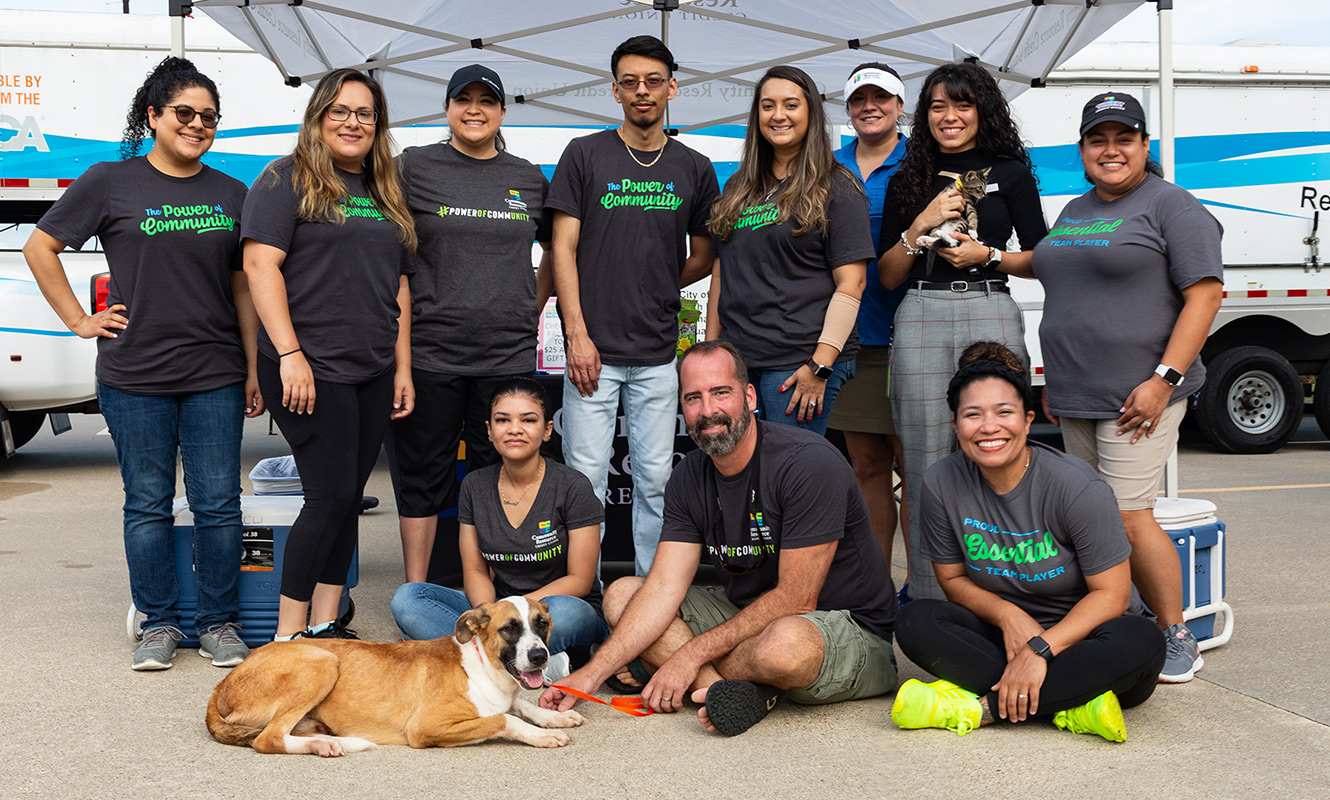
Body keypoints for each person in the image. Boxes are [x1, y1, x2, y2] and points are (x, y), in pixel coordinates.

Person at [23, 57, 261, 671]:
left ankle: (218, 622)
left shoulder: (231, 193)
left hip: (215, 373)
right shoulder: (109, 182)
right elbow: (40, 246)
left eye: (209, 117)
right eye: (184, 113)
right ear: (153, 116)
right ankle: (159, 623)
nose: (197, 125)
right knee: (148, 503)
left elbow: (241, 287)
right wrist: (80, 320)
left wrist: (253, 366)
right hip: (135, 375)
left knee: (218, 503)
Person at [540, 340, 899, 737]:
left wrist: (686, 655)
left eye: (720, 392)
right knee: (624, 594)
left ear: (750, 397)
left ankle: (680, 671)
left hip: (846, 627)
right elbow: (662, 587)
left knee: (783, 648)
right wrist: (590, 675)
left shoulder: (807, 463)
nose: (707, 410)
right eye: (693, 398)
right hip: (747, 613)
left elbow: (797, 600)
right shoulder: (689, 475)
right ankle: (716, 690)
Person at [1033, 92, 1224, 683]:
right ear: (1082, 149)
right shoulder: (1076, 209)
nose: (1110, 150)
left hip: (1138, 396)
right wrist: (989, 256)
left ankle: (1177, 632)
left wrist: (1163, 381)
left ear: (1144, 145)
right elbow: (1052, 266)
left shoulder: (1172, 205)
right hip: (1076, 393)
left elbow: (1205, 295)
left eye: (1124, 139)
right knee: (1089, 517)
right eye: (1098, 140)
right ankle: (1119, 616)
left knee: (1127, 515)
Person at [891, 342, 1166, 742]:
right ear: (955, 425)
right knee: (916, 621)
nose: (989, 427)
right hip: (1004, 638)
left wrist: (1041, 649)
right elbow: (951, 580)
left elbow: (1112, 595)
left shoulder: (1076, 486)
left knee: (1143, 642)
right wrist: (1008, 616)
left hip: (1086, 637)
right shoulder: (941, 482)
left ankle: (981, 708)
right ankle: (1075, 703)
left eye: (1004, 412)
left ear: (1027, 420)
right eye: (973, 414)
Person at [242, 67, 417, 641]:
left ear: (378, 124)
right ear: (318, 116)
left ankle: (324, 624)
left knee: (347, 499)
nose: (352, 122)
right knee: (329, 496)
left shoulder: (383, 189)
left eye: (365, 113)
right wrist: (290, 354)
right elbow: (259, 266)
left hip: (372, 366)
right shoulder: (285, 179)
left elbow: (398, 284)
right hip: (309, 366)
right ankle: (287, 636)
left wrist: (401, 366)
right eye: (339, 110)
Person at [876, 61, 1049, 602]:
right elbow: (887, 276)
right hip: (921, 312)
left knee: (1001, 452)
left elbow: (1043, 258)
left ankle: (1009, 593)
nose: (949, 116)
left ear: (982, 111)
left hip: (991, 307)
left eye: (962, 104)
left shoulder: (1011, 172)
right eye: (937, 106)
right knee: (924, 462)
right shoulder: (907, 175)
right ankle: (929, 600)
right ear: (923, 115)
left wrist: (988, 255)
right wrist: (919, 224)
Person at [548, 35, 719, 576]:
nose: (642, 91)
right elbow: (562, 249)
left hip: (658, 351)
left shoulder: (695, 165)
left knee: (657, 480)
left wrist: (659, 285)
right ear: (615, 90)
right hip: (592, 351)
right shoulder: (584, 154)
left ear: (672, 87)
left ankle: (650, 592)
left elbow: (705, 255)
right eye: (630, 82)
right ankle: (583, 592)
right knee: (585, 479)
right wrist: (576, 334)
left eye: (653, 81)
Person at [391, 64, 553, 583]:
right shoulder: (411, 167)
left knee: (498, 475)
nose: (475, 110)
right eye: (464, 100)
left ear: (502, 112)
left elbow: (558, 247)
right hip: (430, 352)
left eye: (487, 101)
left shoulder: (528, 177)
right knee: (423, 475)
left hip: (506, 356)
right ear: (447, 109)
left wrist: (532, 305)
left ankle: (491, 591)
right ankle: (416, 591)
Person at [391, 378, 607, 678]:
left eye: (528, 420)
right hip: (500, 614)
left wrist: (514, 610)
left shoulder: (573, 486)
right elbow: (474, 570)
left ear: (547, 430)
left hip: (556, 609)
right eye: (503, 420)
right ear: (490, 430)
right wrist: (492, 614)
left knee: (572, 612)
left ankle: (473, 660)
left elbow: (580, 580)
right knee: (409, 598)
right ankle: (534, 663)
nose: (514, 429)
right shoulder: (475, 485)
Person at [705, 65, 870, 436]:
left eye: (791, 105)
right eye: (768, 106)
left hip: (799, 362)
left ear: (811, 113)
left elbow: (853, 283)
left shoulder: (837, 185)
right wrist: (711, 351)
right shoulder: (737, 187)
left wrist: (820, 365)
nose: (778, 115)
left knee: (788, 467)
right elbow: (721, 272)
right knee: (742, 467)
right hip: (738, 363)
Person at [824, 62, 911, 576]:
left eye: (881, 98)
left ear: (900, 106)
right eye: (859, 99)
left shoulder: (921, 163)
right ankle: (879, 590)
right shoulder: (827, 167)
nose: (869, 107)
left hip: (911, 337)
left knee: (917, 472)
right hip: (851, 340)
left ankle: (922, 590)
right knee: (867, 468)